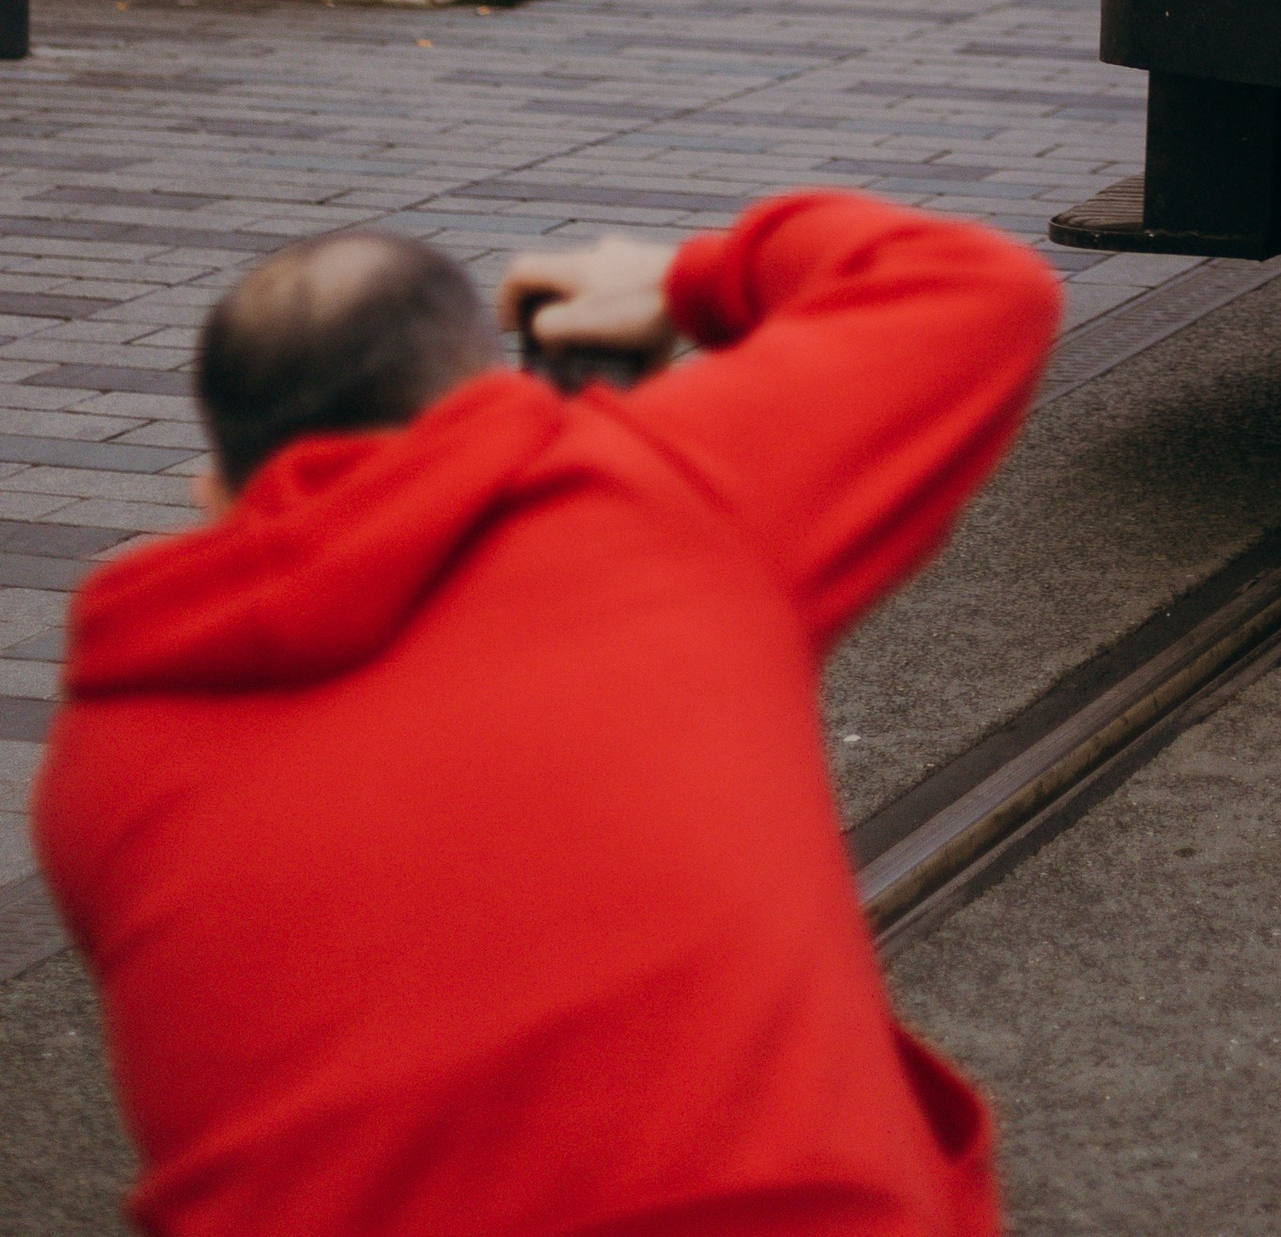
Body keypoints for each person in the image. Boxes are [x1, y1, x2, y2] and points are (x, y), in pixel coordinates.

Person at [34, 189, 1059, 1237]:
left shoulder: (105, 753)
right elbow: (975, 284)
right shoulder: (655, 492)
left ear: (215, 491)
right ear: (483, 393)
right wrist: (675, 281)